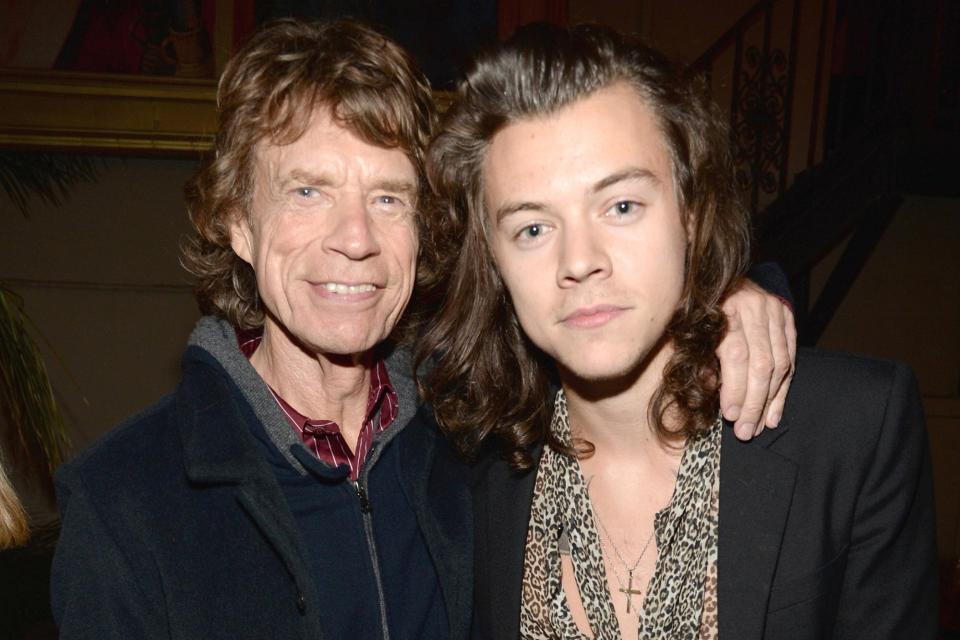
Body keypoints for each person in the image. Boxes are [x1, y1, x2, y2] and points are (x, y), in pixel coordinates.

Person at [51, 19, 795, 639]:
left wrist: (736, 294)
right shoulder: (128, 503)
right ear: (238, 222)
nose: (355, 238)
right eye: (308, 191)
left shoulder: (470, 424)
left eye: (388, 198)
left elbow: (619, 313)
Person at [421, 23, 938, 640]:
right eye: (533, 228)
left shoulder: (854, 431)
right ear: (495, 263)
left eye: (621, 206)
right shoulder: (461, 467)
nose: (579, 260)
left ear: (690, 215)